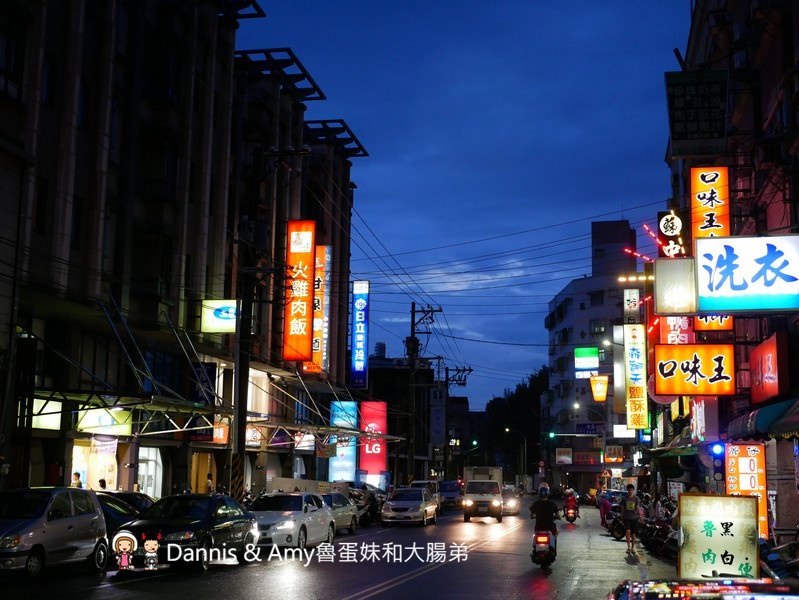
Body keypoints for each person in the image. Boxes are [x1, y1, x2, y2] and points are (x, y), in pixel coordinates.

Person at [529, 483, 561, 554]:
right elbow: (558, 516)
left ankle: (536, 549)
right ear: (548, 493)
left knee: (535, 534)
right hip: (550, 527)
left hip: (538, 527)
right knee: (556, 532)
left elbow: (531, 516)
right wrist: (557, 517)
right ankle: (554, 549)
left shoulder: (535, 504)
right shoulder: (552, 504)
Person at [622, 483, 641, 556]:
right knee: (627, 531)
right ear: (627, 490)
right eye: (629, 489)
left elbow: (637, 508)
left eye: (631, 490)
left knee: (633, 533)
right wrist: (622, 516)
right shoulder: (624, 498)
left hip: (634, 518)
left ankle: (632, 548)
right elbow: (622, 508)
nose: (630, 491)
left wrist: (640, 516)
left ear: (633, 490)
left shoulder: (636, 498)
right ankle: (628, 547)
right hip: (626, 517)